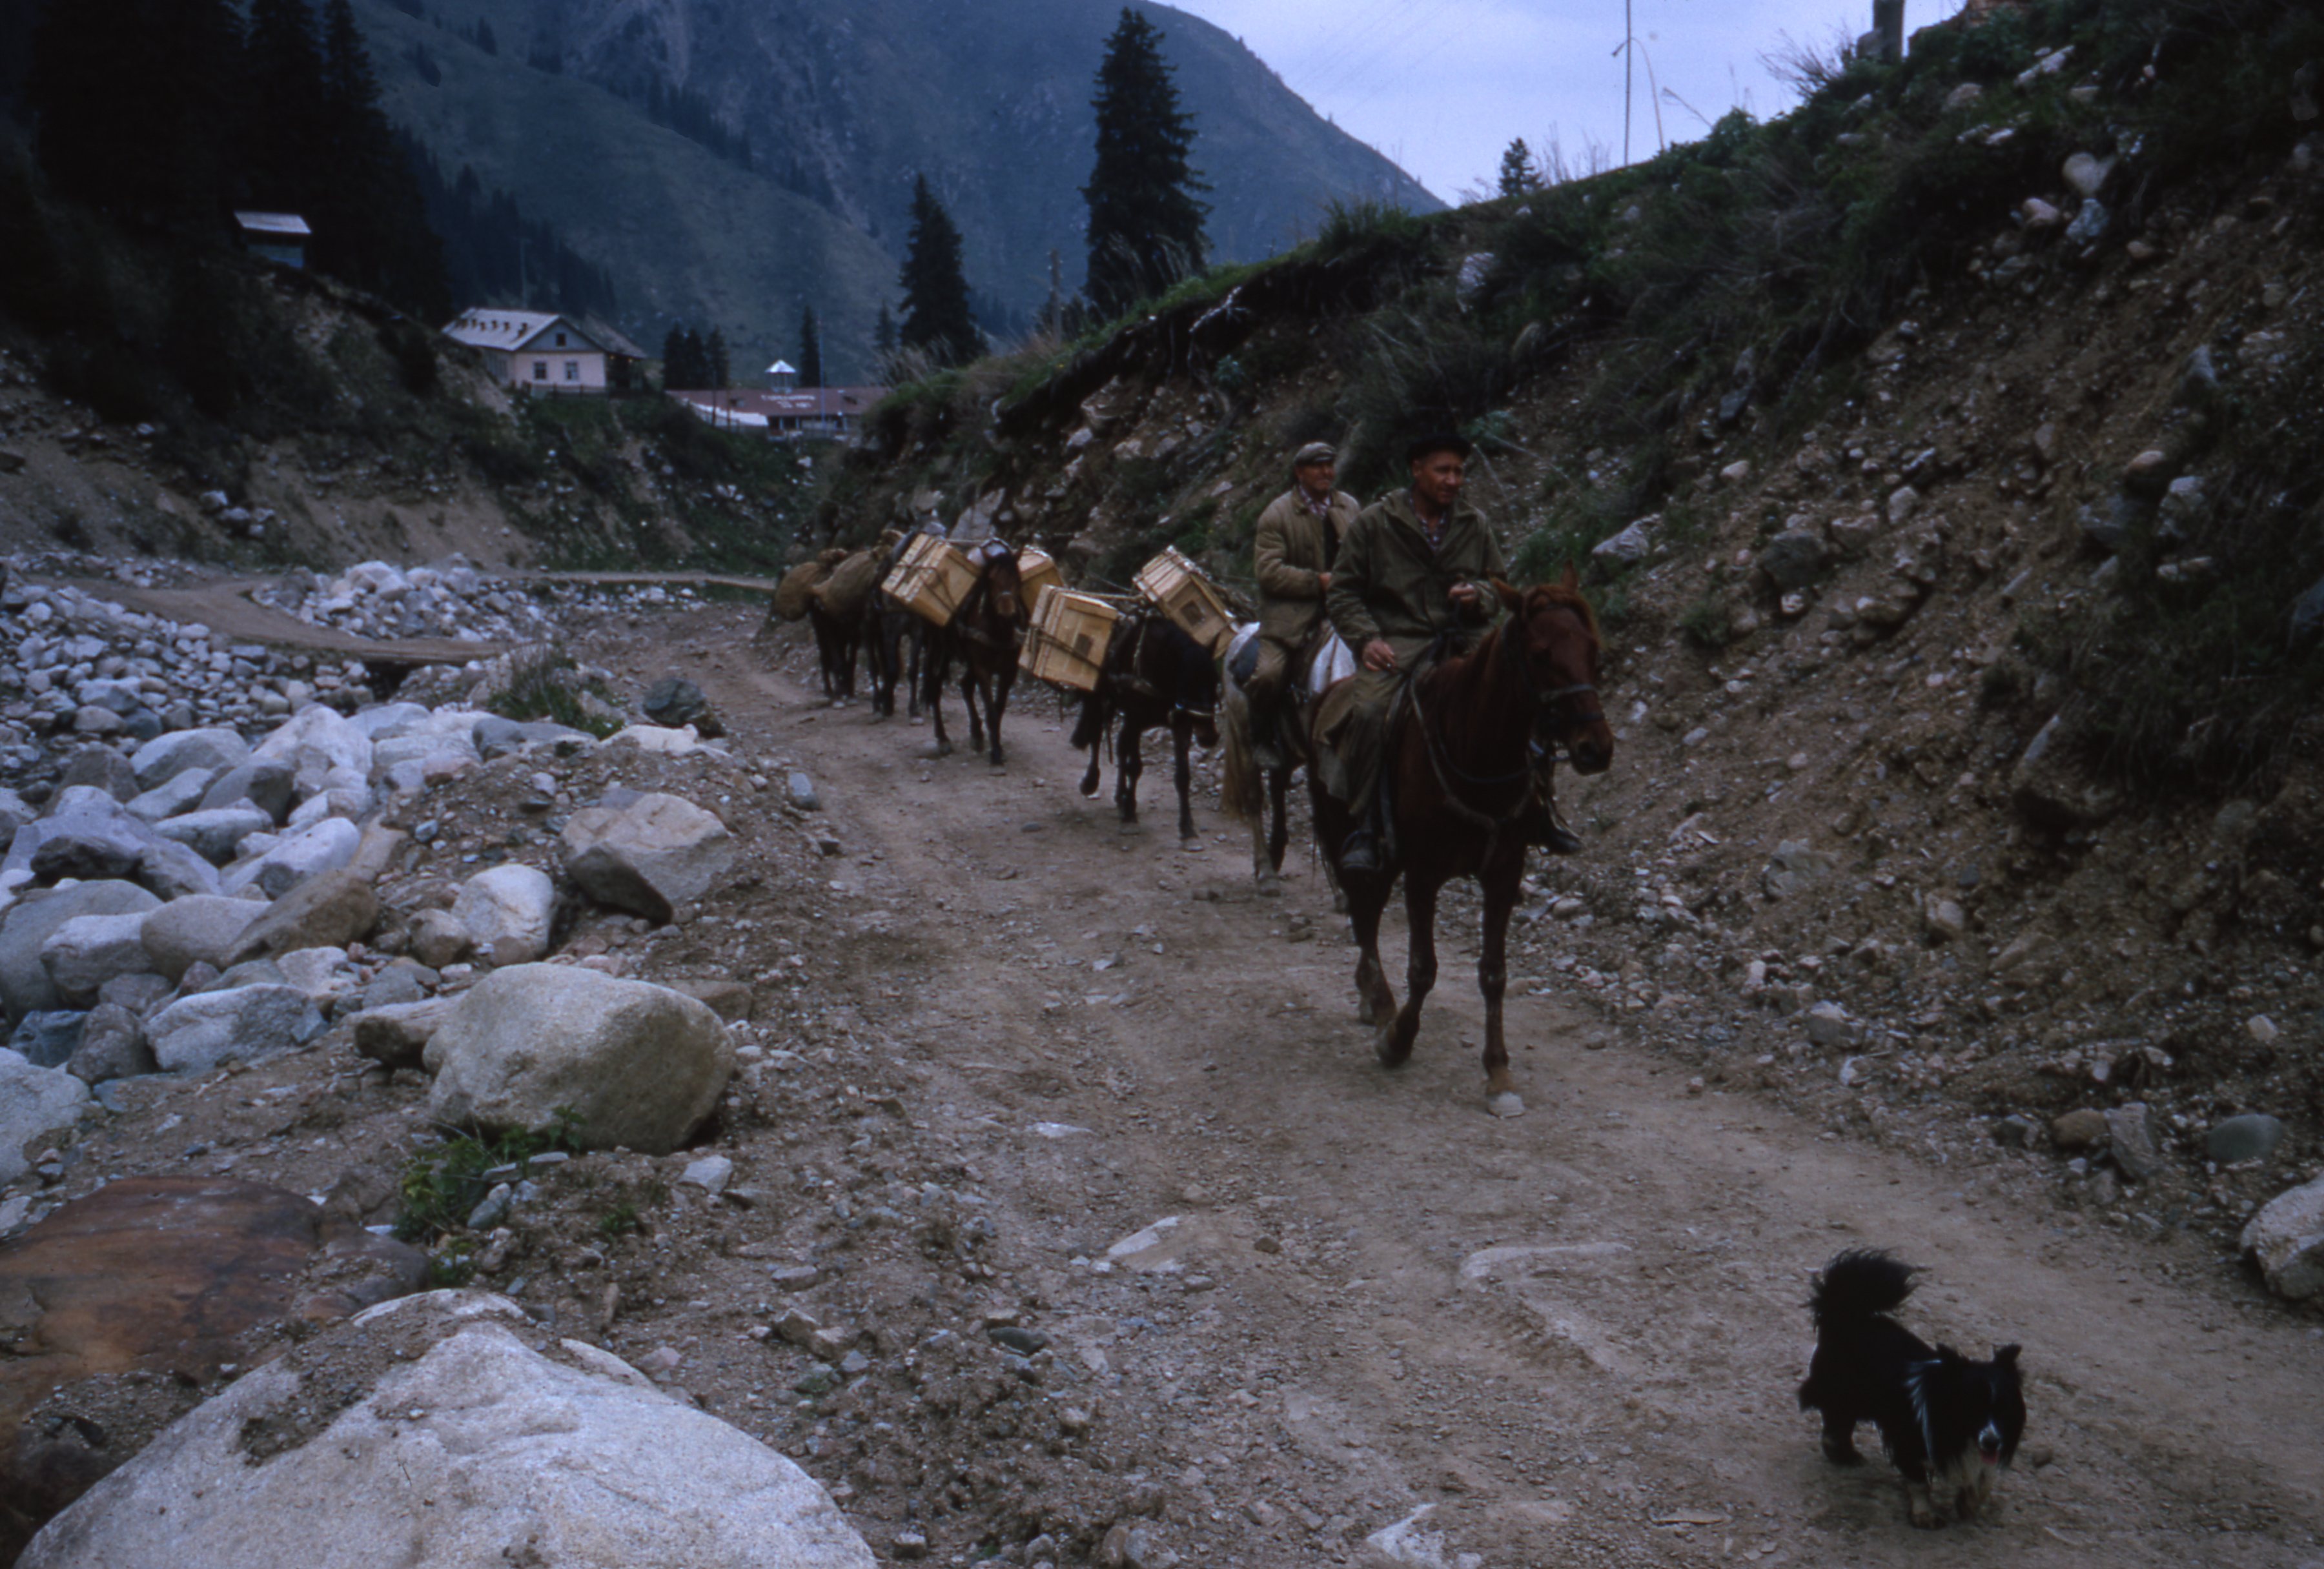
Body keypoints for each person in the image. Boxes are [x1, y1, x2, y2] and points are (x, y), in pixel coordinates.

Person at [1318, 432, 1577, 873]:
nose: (1453, 480)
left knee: (1528, 697)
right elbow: (1343, 592)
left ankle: (1539, 809)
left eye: (1459, 471)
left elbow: (1497, 585)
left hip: (1466, 638)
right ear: (1416, 469)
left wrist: (1478, 595)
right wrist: (1366, 639)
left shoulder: (1474, 523)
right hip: (1399, 640)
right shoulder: (1375, 524)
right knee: (1370, 712)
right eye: (1443, 470)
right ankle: (1367, 822)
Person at [1248, 441, 1358, 728]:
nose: (1326, 472)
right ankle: (1262, 732)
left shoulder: (1350, 506)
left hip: (1347, 609)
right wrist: (1316, 582)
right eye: (1317, 467)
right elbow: (1268, 572)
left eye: (1329, 465)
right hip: (1291, 618)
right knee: (1268, 675)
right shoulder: (1277, 514)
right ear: (1300, 472)